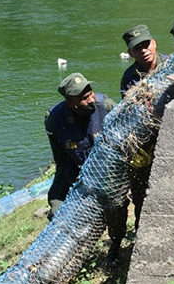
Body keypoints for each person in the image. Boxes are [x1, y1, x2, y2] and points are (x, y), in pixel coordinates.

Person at [45, 73, 123, 259]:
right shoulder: (54, 119)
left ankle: (116, 244)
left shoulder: (106, 106)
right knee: (56, 204)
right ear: (70, 103)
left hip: (107, 171)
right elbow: (61, 157)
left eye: (90, 93)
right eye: (84, 98)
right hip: (74, 169)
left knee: (117, 205)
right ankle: (69, 252)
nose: (91, 99)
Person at [120, 24, 164, 97]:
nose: (143, 50)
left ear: (154, 43)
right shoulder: (128, 78)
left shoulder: (171, 64)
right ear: (130, 53)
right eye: (137, 48)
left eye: (146, 44)